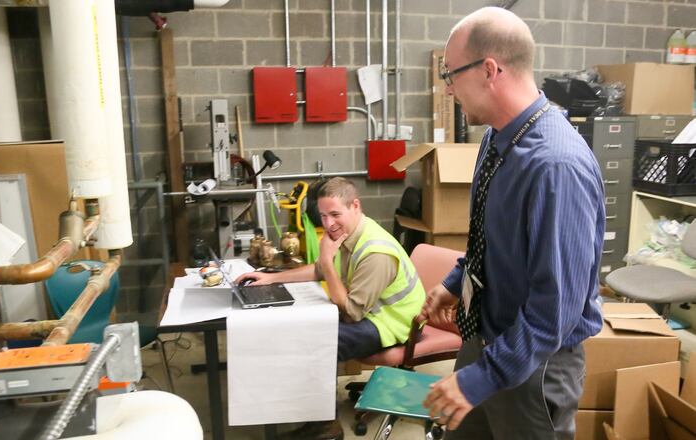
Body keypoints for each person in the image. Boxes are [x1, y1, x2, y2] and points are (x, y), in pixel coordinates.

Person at [420, 7, 605, 439]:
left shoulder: (556, 166)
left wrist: (481, 378)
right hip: (485, 341)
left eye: (450, 74)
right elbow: (489, 240)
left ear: (490, 70)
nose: (447, 89)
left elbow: (553, 311)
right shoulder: (496, 137)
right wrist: (453, 281)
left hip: (534, 365)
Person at [237, 177, 425, 440]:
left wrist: (325, 259)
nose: (328, 224)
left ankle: (325, 428)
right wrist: (271, 278)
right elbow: (318, 270)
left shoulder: (376, 252)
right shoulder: (348, 233)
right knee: (298, 328)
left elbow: (351, 312)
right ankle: (298, 409)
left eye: (335, 214)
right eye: (323, 215)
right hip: (368, 314)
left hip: (391, 325)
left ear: (355, 206)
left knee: (315, 343)